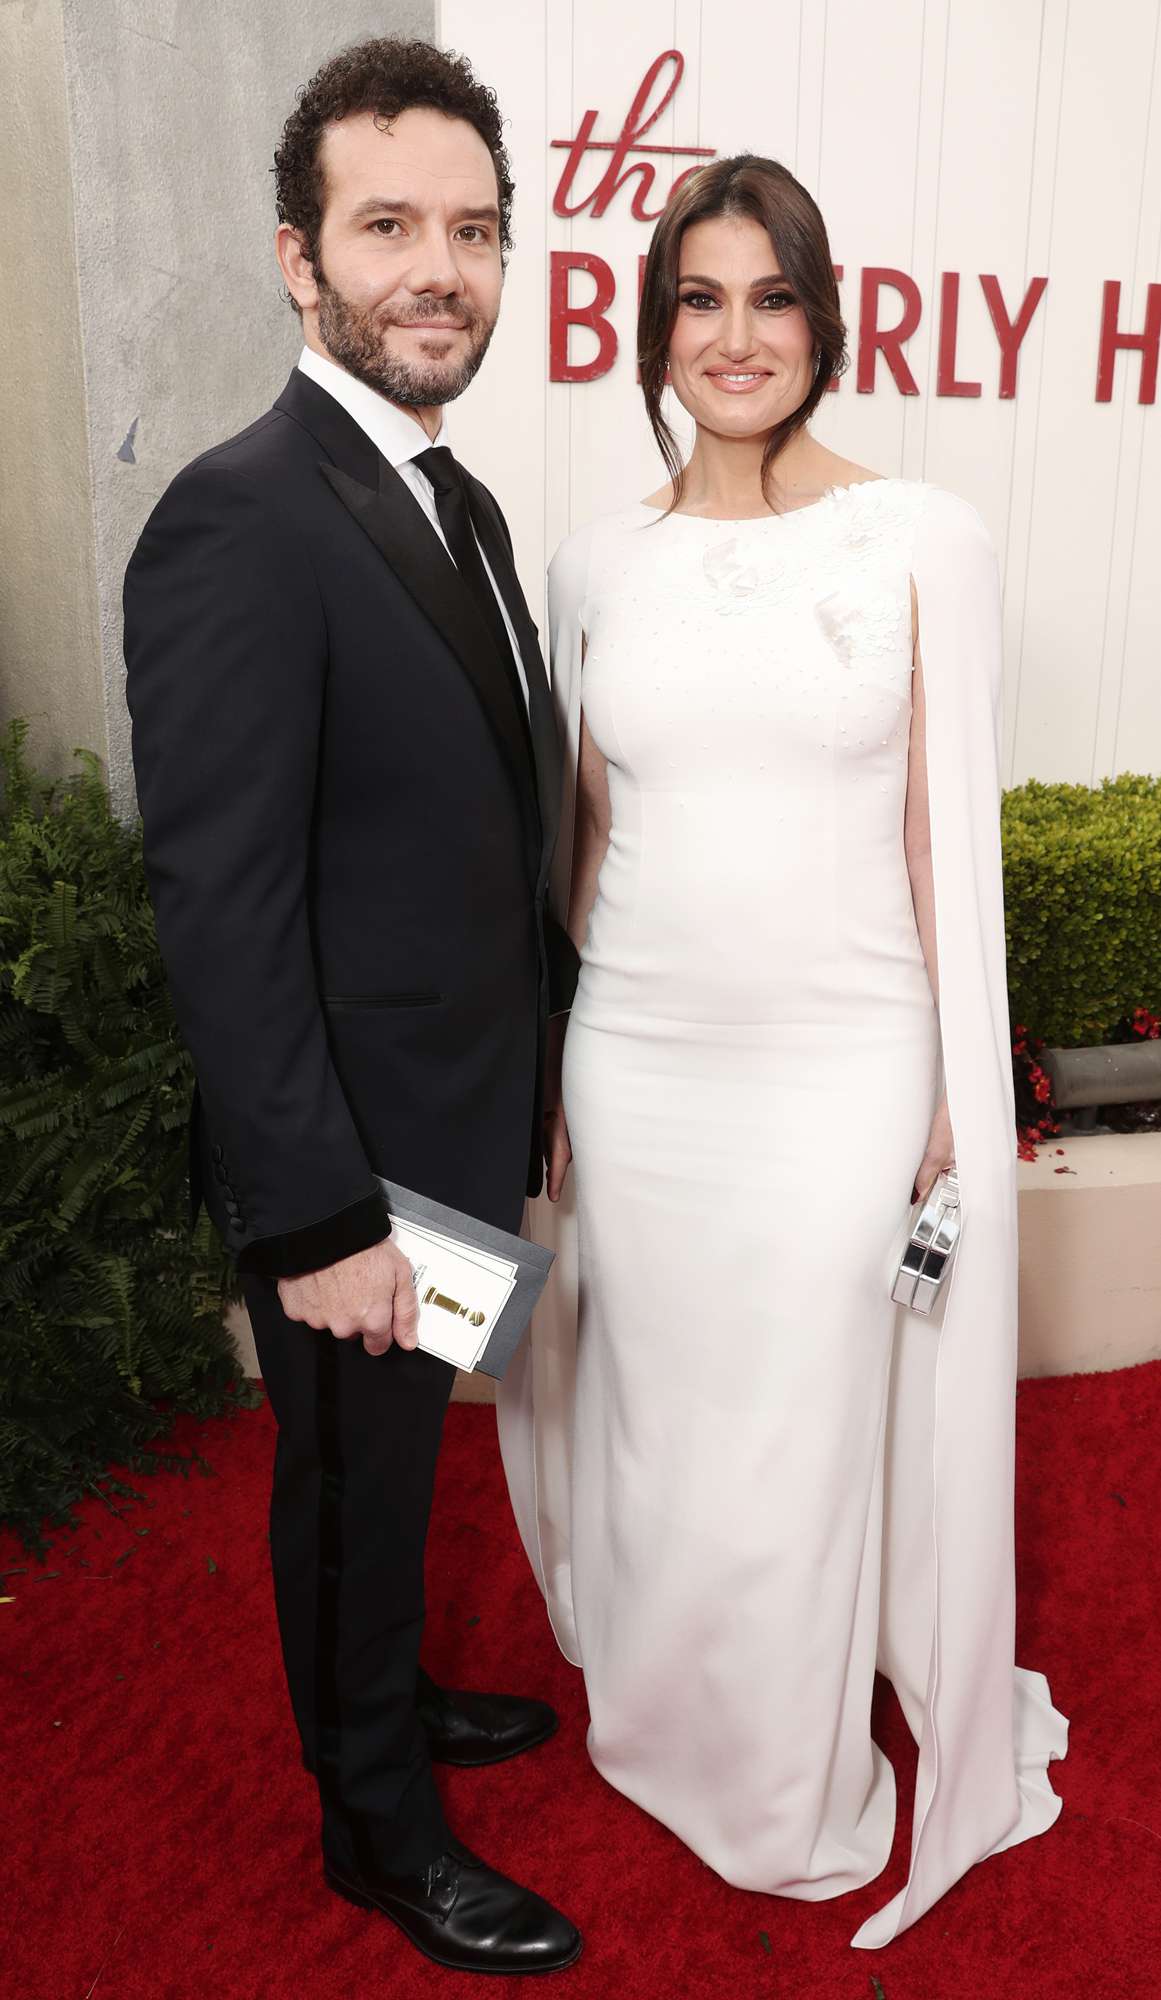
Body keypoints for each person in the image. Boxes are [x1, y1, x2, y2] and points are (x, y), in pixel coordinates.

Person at [498, 154, 1068, 1950]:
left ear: (824, 318)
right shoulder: (598, 559)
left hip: (840, 1066)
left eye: (769, 298)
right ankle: (666, 1726)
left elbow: (935, 850)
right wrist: (554, 1068)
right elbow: (582, 842)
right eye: (697, 299)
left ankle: (796, 1781)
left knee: (799, 1434)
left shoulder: (920, 539)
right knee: (660, 1422)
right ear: (652, 325)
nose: (732, 338)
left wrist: (950, 1105)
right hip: (640, 1064)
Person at [123, 36, 582, 1980]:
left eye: (470, 229)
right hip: (352, 1175)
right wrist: (312, 1220)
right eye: (388, 224)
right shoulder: (243, 516)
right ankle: (374, 1830)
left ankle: (380, 1686)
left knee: (400, 1473)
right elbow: (219, 904)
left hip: (467, 1117)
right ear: (299, 259)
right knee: (341, 1482)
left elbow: (479, 828)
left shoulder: (455, 501)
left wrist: (540, 1077)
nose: (438, 269)